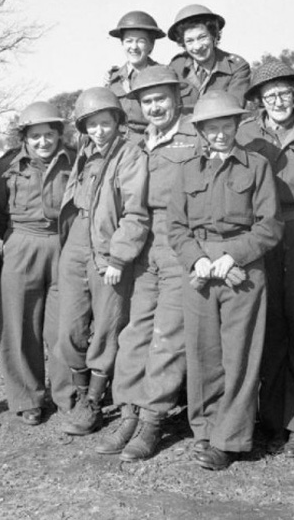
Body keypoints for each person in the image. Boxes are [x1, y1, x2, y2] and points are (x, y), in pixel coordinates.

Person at [168, 90, 283, 471]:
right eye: (212, 128)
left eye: (226, 126)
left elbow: (270, 226)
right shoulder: (185, 170)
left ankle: (230, 439)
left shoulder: (256, 166)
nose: (220, 134)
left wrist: (232, 256)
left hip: (242, 273)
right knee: (204, 354)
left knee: (240, 356)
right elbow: (176, 228)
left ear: (237, 125)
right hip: (201, 274)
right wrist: (198, 259)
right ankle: (204, 429)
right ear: (200, 130)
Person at [95, 65, 199, 461]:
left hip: (180, 243)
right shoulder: (136, 143)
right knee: (135, 332)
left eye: (162, 99)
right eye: (147, 101)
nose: (155, 107)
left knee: (169, 336)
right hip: (142, 245)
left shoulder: (196, 136)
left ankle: (153, 421)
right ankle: (128, 413)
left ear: (176, 98)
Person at [236, 61, 294, 457]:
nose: (277, 100)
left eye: (284, 92)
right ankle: (272, 420)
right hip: (260, 233)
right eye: (268, 94)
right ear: (258, 99)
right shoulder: (244, 134)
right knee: (269, 325)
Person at [55, 87, 149, 436]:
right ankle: (80, 393)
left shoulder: (130, 155)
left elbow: (136, 213)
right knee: (69, 328)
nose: (99, 131)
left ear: (117, 122)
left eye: (105, 123)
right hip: (76, 241)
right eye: (91, 125)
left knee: (108, 326)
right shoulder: (84, 153)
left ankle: (93, 400)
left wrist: (119, 257)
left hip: (109, 245)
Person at [0, 102, 76, 426]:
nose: (43, 142)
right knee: (19, 325)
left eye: (49, 134)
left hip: (63, 245)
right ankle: (27, 398)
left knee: (63, 326)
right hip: (21, 246)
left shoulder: (74, 159)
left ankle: (67, 394)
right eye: (36, 136)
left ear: (59, 134)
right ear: (24, 137)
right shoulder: (5, 165)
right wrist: (16, 240)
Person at [168, 4, 250, 112]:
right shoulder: (176, 67)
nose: (197, 47)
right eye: (190, 41)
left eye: (202, 37)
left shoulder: (236, 67)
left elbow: (233, 110)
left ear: (213, 36)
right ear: (183, 44)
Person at [106, 10, 166, 136]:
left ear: (151, 45)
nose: (134, 47)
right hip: (121, 146)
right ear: (122, 44)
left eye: (141, 41)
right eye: (129, 41)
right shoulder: (113, 79)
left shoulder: (164, 75)